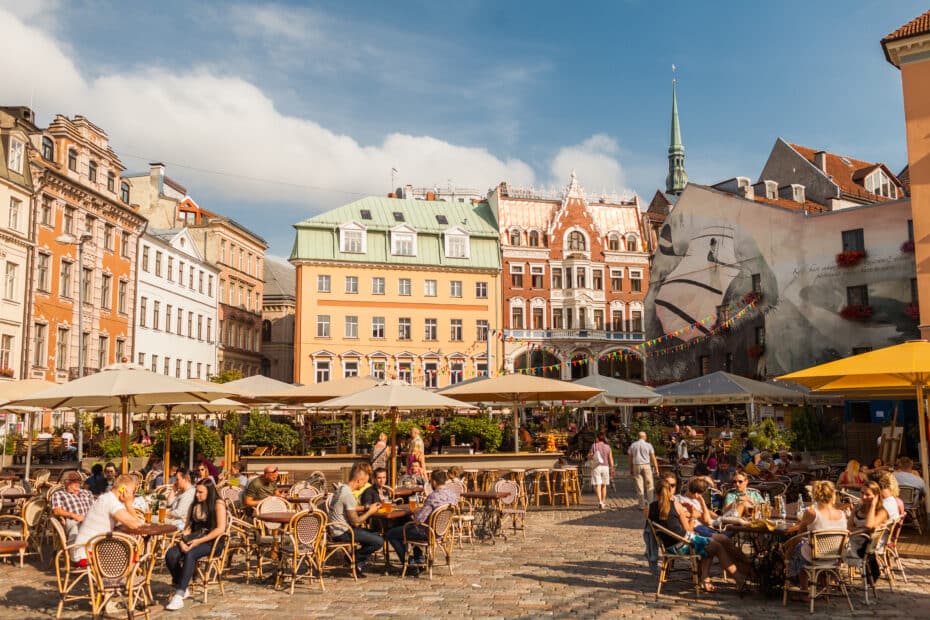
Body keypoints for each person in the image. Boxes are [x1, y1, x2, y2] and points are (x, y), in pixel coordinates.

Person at [648, 478, 748, 592]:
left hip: (669, 547)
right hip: (685, 544)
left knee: (710, 546)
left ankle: (705, 579)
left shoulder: (649, 508)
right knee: (717, 547)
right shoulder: (676, 505)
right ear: (670, 490)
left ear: (656, 492)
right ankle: (739, 580)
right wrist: (692, 516)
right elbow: (689, 530)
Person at [164, 481, 227, 611]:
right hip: (194, 538)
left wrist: (199, 541)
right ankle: (184, 585)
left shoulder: (218, 504)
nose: (197, 495)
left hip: (212, 542)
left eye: (201, 492)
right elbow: (187, 527)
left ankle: (179, 594)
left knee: (190, 553)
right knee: (171, 555)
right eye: (196, 491)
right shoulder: (194, 505)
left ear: (209, 492)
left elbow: (220, 529)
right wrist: (182, 541)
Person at [386, 469, 457, 570]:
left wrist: (415, 512)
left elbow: (419, 520)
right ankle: (419, 559)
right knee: (408, 526)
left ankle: (410, 564)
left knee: (392, 533)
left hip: (427, 533)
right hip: (442, 532)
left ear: (434, 482)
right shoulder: (452, 495)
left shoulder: (433, 496)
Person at [787, 480, 848, 597]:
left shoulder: (811, 512)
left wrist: (788, 549)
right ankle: (823, 584)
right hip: (834, 556)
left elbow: (799, 535)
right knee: (806, 547)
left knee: (798, 548)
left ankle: (804, 589)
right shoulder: (841, 513)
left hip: (815, 556)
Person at [325, 463, 383, 577]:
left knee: (375, 533)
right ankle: (353, 558)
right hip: (342, 532)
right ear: (359, 480)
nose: (365, 485)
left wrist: (366, 507)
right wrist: (370, 512)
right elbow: (356, 521)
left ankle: (357, 565)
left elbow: (351, 507)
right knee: (378, 541)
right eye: (365, 482)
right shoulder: (348, 494)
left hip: (336, 529)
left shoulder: (342, 488)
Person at [72, 474, 143, 564]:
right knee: (134, 557)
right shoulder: (111, 502)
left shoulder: (107, 498)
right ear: (124, 490)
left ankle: (120, 577)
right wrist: (128, 504)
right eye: (132, 492)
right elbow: (137, 526)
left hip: (86, 550)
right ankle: (123, 578)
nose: (132, 495)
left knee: (131, 553)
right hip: (86, 555)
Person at [50, 471, 95, 544]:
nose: (77, 483)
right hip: (72, 520)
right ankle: (74, 552)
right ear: (66, 482)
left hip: (89, 519)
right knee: (75, 530)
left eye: (78, 480)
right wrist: (74, 515)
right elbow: (56, 511)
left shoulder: (87, 493)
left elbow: (94, 508)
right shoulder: (59, 494)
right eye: (74, 481)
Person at [628, 432, 659, 510]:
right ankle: (650, 503)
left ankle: (641, 505)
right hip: (646, 465)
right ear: (644, 437)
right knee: (649, 485)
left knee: (639, 485)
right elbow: (653, 457)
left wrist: (630, 468)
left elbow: (630, 458)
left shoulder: (633, 445)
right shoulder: (648, 445)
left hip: (636, 465)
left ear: (638, 437)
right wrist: (656, 468)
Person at [165, 467, 196, 531]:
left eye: (177, 479)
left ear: (185, 479)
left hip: (179, 525)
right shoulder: (182, 491)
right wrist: (173, 490)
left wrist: (164, 513)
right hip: (172, 520)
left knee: (149, 521)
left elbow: (179, 513)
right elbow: (169, 503)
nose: (175, 482)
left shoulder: (189, 493)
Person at [588, 432, 614, 510]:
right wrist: (612, 468)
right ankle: (603, 501)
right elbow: (610, 458)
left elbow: (589, 456)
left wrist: (592, 455)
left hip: (597, 467)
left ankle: (600, 502)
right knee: (604, 485)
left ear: (597, 438)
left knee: (598, 485)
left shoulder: (594, 445)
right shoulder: (608, 447)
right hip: (605, 467)